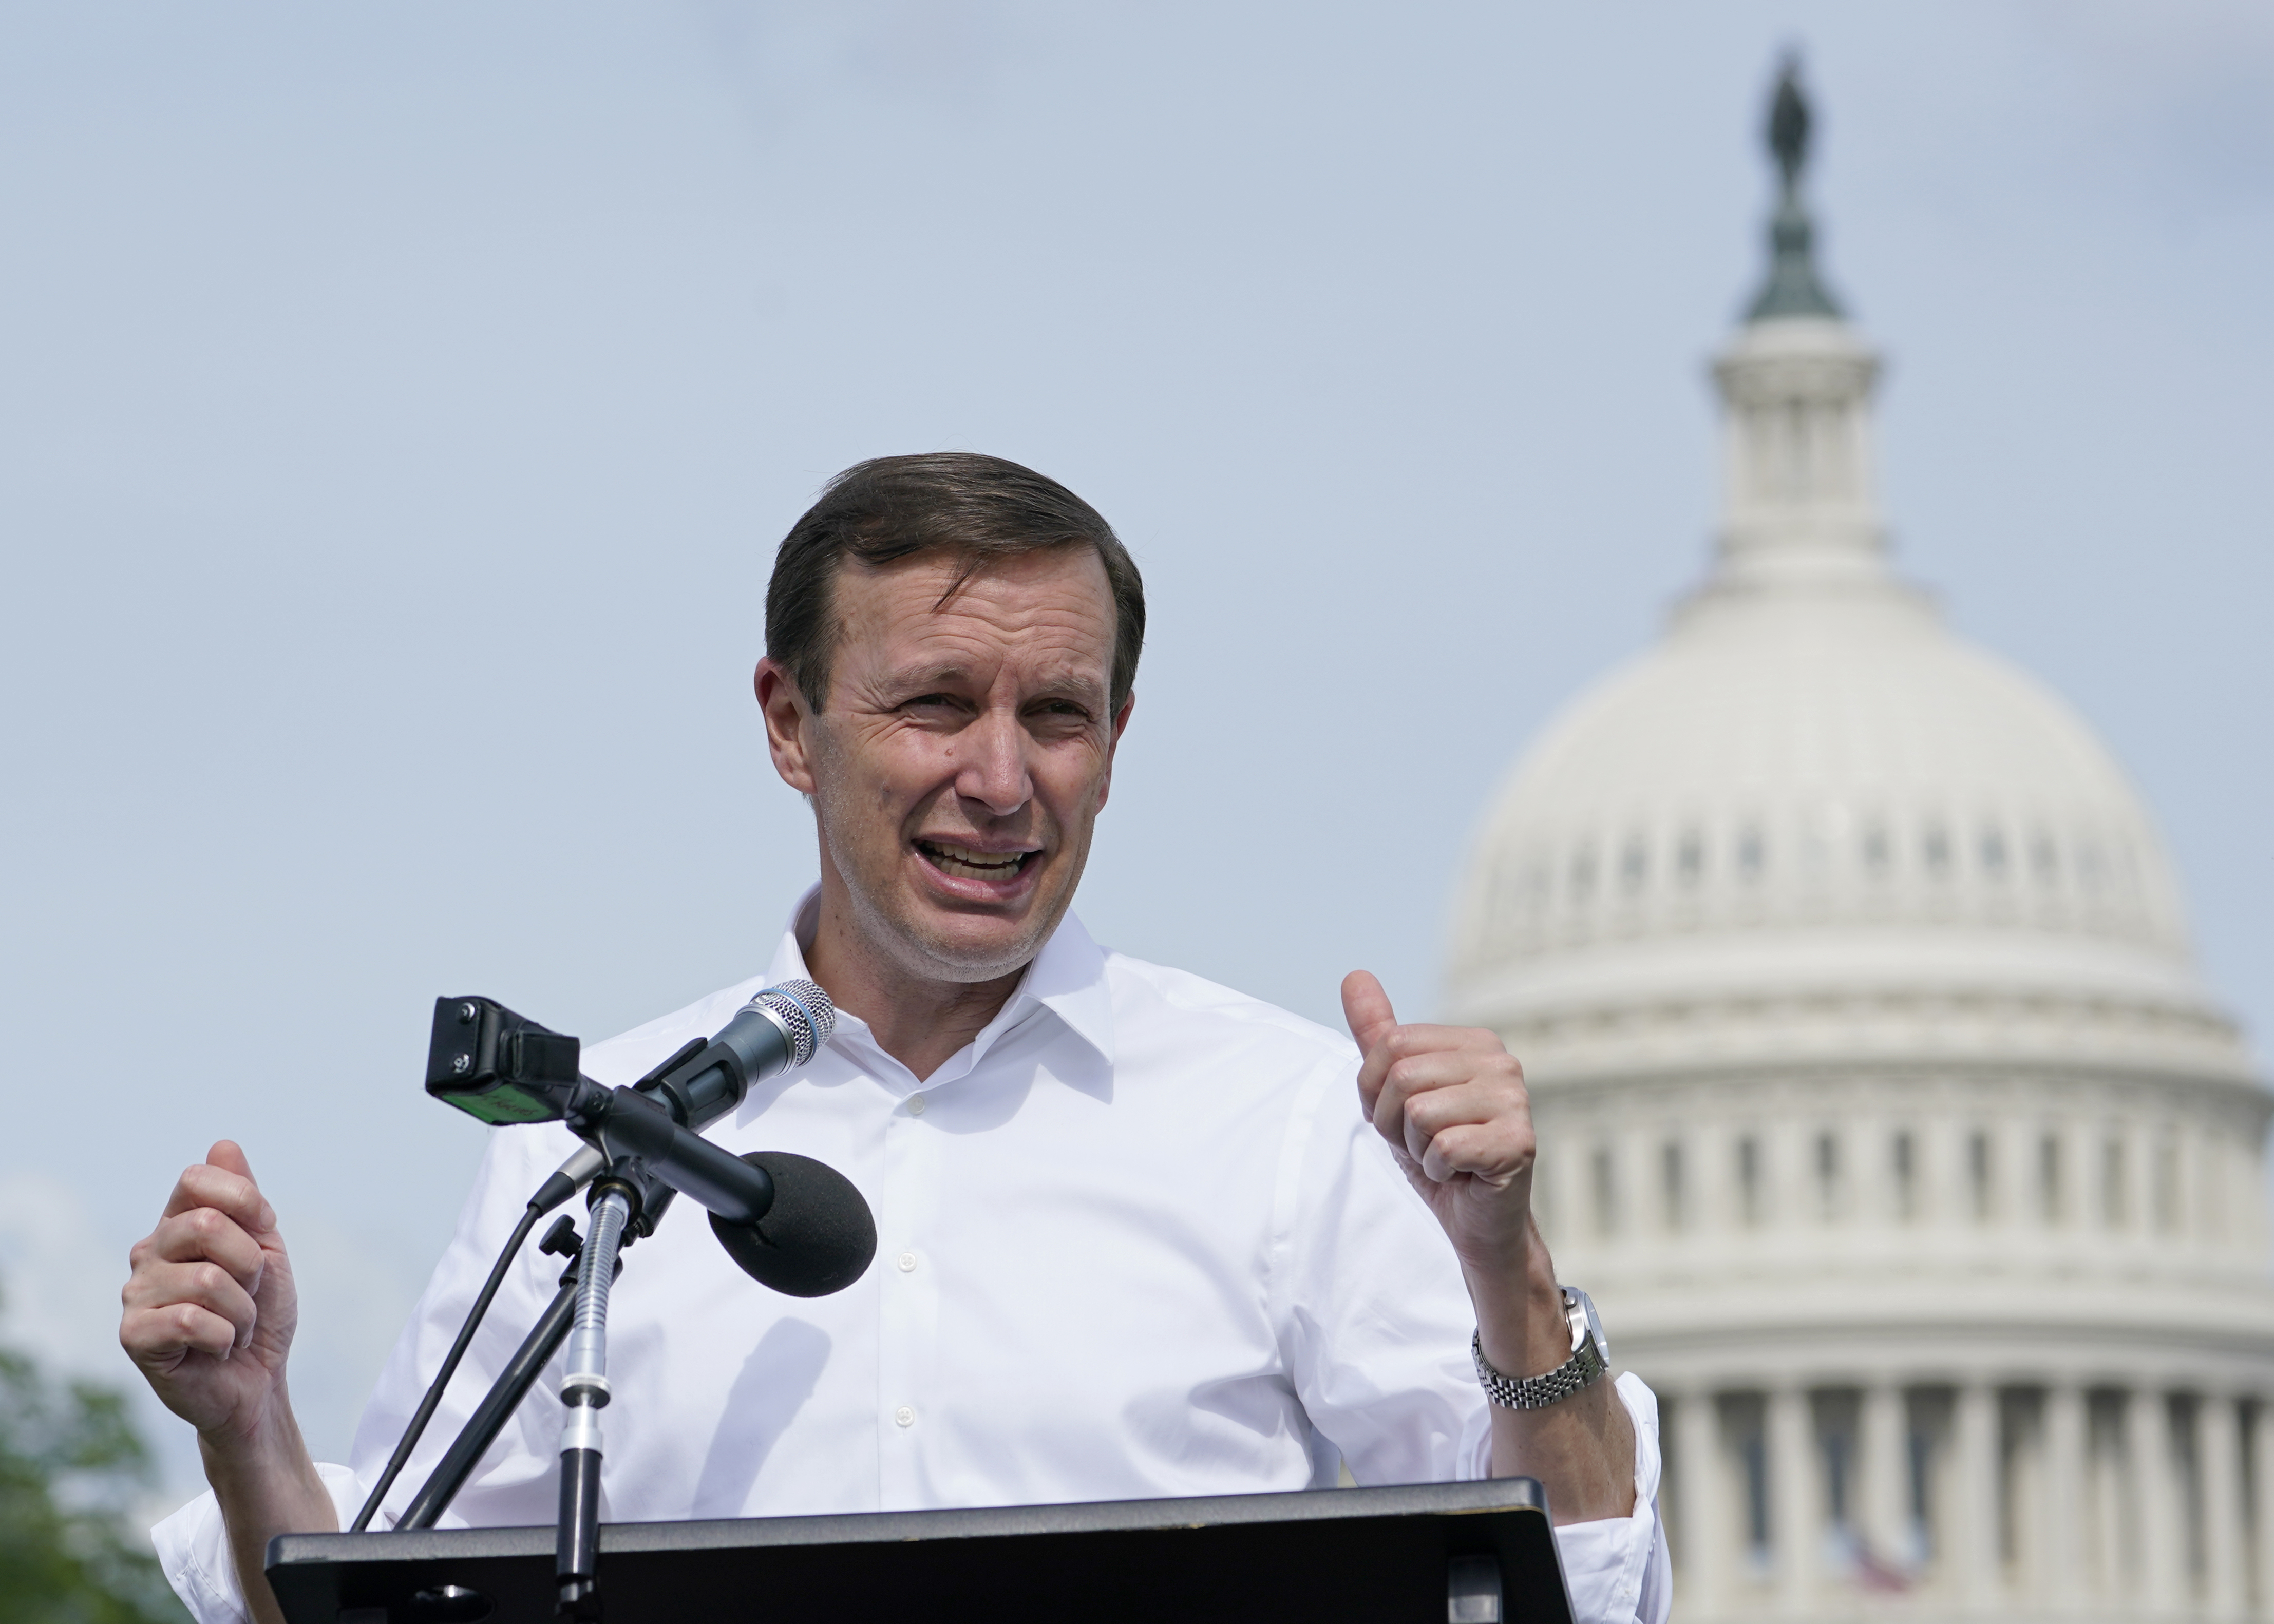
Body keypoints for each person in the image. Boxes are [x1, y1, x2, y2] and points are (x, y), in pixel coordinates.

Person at [121, 453, 1669, 1624]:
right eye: (935, 703)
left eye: (1057, 715)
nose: (1002, 778)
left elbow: (1593, 1586)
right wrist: (248, 1425)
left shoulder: (1283, 1119)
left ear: (1118, 740)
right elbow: (376, 1601)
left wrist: (1505, 1267)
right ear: (789, 721)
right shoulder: (587, 1149)